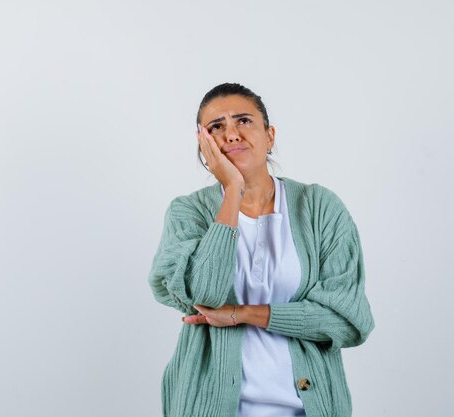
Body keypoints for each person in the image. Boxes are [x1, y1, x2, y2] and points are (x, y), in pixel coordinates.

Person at [147, 82, 375, 417]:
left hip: (309, 407)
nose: (232, 134)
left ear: (269, 135)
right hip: (208, 407)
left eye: (243, 121)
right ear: (203, 145)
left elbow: (347, 320)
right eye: (216, 127)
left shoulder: (319, 208)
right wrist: (232, 192)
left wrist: (245, 314)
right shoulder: (188, 213)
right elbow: (203, 292)